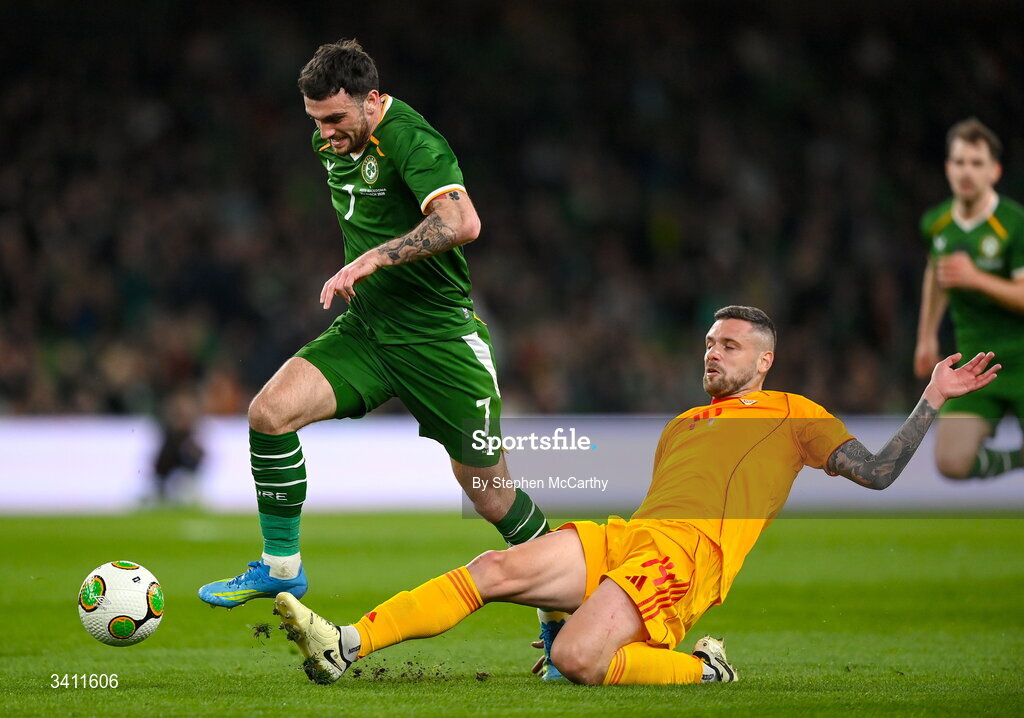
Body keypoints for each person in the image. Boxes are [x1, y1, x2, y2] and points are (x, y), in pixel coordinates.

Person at [274, 306, 999, 686]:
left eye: (731, 346)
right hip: (631, 539)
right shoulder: (684, 424)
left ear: (765, 360)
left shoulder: (795, 413)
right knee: (497, 569)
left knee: (581, 666)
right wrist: (566, 609)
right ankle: (345, 646)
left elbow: (876, 472)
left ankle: (702, 668)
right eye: (711, 343)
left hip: (687, 559)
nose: (713, 353)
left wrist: (932, 397)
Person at [198, 39, 550, 608]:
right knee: (269, 413)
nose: (326, 133)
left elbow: (462, 222)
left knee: (489, 494)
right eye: (315, 120)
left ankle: (565, 605)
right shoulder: (332, 139)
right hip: (369, 329)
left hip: (438, 338)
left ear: (373, 100)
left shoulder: (412, 140)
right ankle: (281, 566)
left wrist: (372, 259)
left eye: (336, 118)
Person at [914, 118, 1024, 481]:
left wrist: (977, 279)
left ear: (995, 170)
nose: (967, 171)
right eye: (959, 162)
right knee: (951, 462)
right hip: (977, 364)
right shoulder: (937, 222)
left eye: (977, 163)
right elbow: (937, 273)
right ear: (948, 168)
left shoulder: (1014, 223)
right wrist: (927, 335)